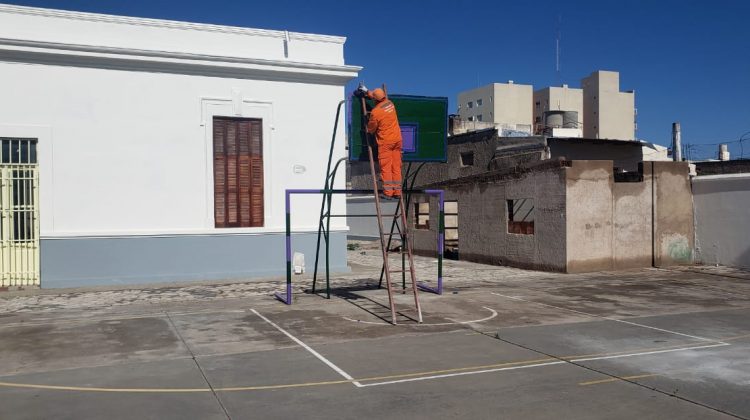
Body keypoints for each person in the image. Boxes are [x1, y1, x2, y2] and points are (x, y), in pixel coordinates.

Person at [362, 87, 402, 200]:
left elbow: (371, 128)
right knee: (396, 167)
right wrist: (367, 92)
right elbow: (377, 97)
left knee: (386, 168)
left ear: (375, 99)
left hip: (386, 143)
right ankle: (397, 192)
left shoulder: (375, 112)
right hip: (397, 140)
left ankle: (388, 193)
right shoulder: (390, 103)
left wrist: (367, 126)